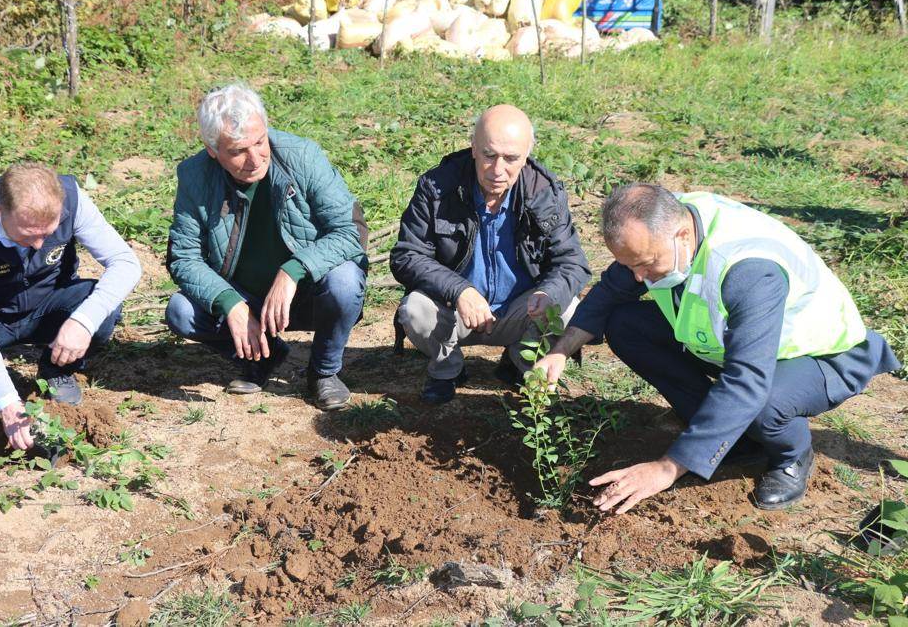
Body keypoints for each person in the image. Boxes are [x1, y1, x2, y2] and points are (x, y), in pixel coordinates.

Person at [534, 183, 901, 512]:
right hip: (734, 341)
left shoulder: (748, 270)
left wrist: (668, 467)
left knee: (764, 405)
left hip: (820, 354)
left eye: (645, 264)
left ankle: (791, 455)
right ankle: (732, 443)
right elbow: (612, 291)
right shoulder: (665, 227)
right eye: (630, 264)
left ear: (681, 235)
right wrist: (559, 351)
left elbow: (747, 381)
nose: (638, 278)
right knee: (626, 324)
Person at [0, 162, 142, 450]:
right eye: (27, 234)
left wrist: (83, 321)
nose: (38, 244)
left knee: (101, 304)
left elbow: (126, 263)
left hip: (48, 306)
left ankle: (56, 369)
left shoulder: (73, 199)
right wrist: (7, 403)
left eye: (48, 233)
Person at [165, 82, 367, 411]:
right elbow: (183, 257)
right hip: (248, 297)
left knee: (345, 280)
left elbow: (350, 232)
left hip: (307, 294)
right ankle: (263, 354)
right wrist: (230, 302)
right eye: (238, 151)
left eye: (260, 142)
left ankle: (324, 372)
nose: (255, 158)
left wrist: (293, 270)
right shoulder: (195, 176)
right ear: (213, 149)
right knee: (181, 311)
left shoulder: (303, 156)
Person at [390, 104, 590, 405]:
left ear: (526, 156)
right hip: (455, 311)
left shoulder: (544, 192)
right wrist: (459, 289)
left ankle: (523, 364)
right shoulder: (437, 187)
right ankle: (447, 370)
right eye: (489, 155)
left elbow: (572, 263)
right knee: (415, 310)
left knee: (566, 306)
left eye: (511, 159)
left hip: (520, 312)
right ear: (473, 148)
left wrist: (548, 293)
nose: (498, 170)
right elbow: (406, 255)